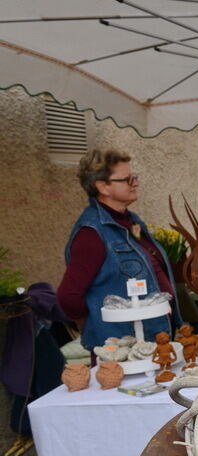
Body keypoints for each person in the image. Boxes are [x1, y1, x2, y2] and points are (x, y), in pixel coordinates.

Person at [58, 149, 180, 350]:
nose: (136, 183)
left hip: (151, 340)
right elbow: (68, 297)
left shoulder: (130, 221)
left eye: (135, 177)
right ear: (103, 187)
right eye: (128, 179)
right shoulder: (91, 234)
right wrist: (96, 319)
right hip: (122, 352)